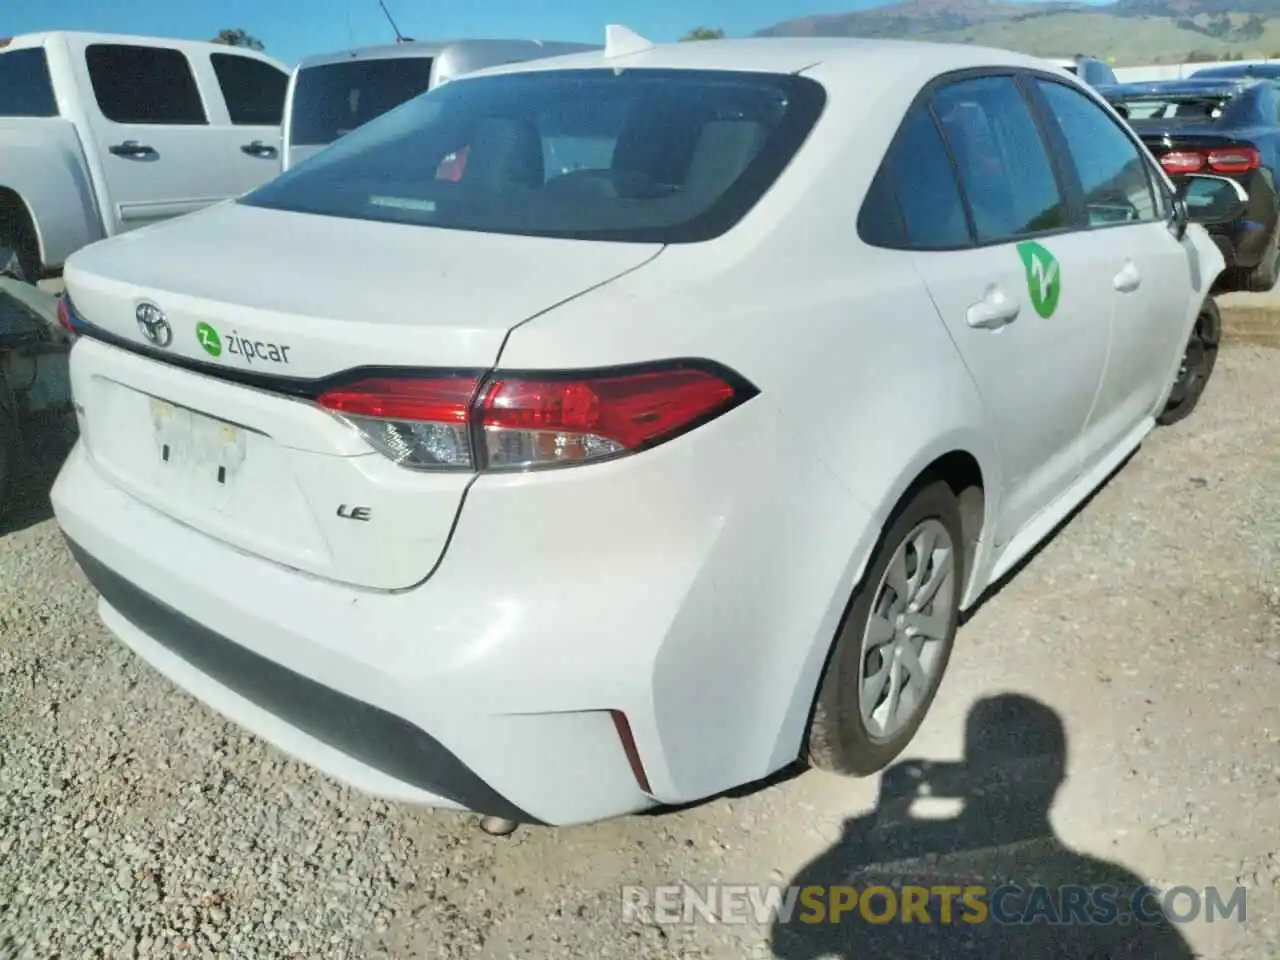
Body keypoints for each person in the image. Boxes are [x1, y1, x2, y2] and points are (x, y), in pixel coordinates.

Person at [771, 694, 1196, 959]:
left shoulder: (885, 880)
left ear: (970, 775)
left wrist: (869, 835)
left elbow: (792, 937)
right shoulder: (1111, 892)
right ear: (1056, 781)